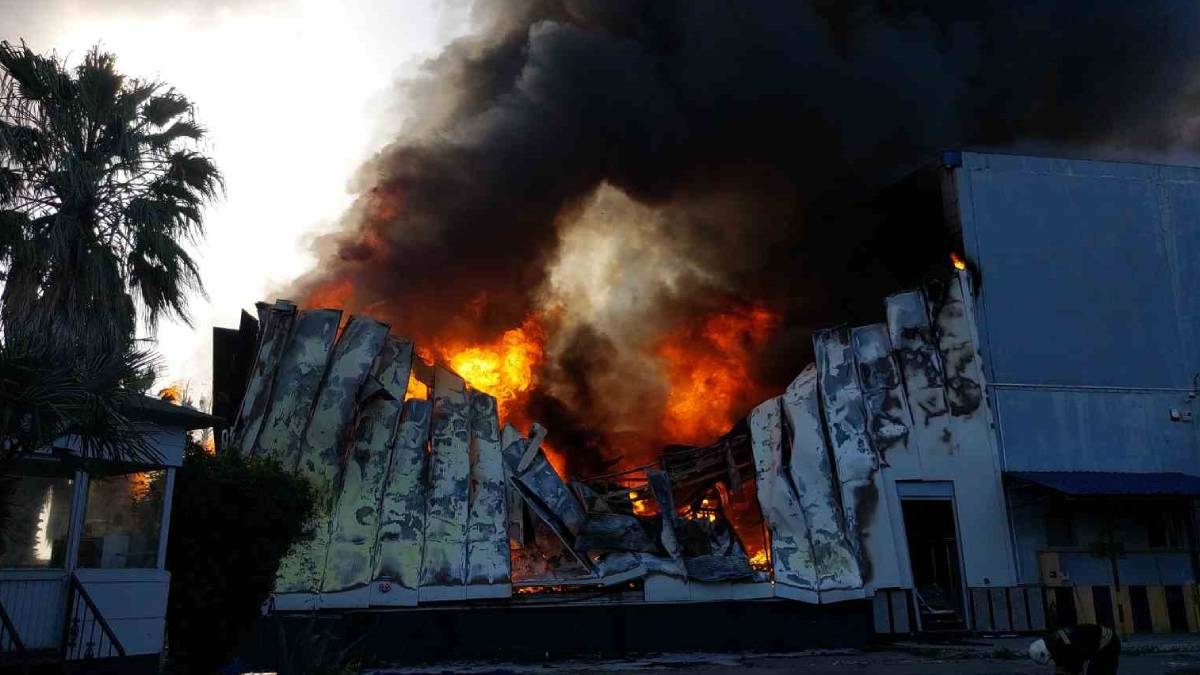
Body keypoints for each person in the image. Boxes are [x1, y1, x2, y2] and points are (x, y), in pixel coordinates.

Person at [1028, 623, 1120, 674]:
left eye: (1050, 658)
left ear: (1046, 654)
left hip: (1109, 643)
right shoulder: (1053, 641)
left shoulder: (1068, 649)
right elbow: (1060, 665)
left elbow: (1076, 669)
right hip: (1098, 640)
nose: (1052, 659)